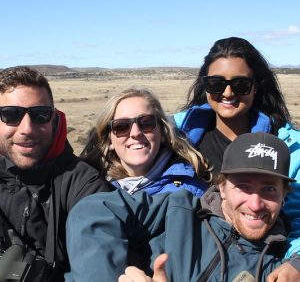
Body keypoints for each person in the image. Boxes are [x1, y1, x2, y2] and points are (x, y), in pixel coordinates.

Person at [66, 132, 300, 282]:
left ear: (284, 194)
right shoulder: (179, 209)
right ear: (222, 187)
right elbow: (92, 212)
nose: (255, 204)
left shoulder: (278, 270)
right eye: (242, 186)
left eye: (269, 189)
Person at [173, 37, 300, 255]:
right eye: (216, 83)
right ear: (204, 86)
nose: (228, 93)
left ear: (256, 88)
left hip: (264, 261)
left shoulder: (286, 146)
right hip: (190, 259)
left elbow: (298, 215)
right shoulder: (176, 137)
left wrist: (296, 259)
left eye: (241, 85)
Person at [0, 66, 111, 281]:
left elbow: (97, 258)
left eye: (40, 115)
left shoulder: (83, 185)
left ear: (54, 119)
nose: (27, 129)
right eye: (10, 115)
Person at [80, 87, 211, 196]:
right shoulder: (91, 190)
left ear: (162, 133)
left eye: (146, 123)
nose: (135, 133)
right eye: (121, 126)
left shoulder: (191, 193)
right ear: (109, 141)